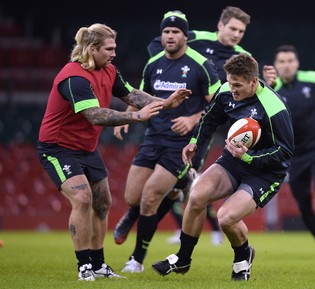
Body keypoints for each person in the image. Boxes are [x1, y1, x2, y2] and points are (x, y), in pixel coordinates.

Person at [37, 23, 191, 281]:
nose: (114, 53)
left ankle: (99, 265)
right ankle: (84, 266)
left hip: (86, 149)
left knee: (103, 203)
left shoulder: (109, 70)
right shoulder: (74, 77)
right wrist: (137, 118)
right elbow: (95, 115)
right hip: (58, 148)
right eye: (109, 49)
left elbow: (132, 96)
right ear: (92, 49)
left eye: (114, 48)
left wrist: (164, 103)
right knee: (83, 199)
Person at [114, 6, 277, 246]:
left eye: (241, 31)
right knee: (165, 188)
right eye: (232, 28)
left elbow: (248, 91)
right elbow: (161, 45)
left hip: (202, 126)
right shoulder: (195, 38)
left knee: (170, 186)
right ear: (220, 26)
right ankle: (140, 212)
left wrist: (269, 83)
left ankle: (140, 227)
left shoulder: (243, 55)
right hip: (165, 125)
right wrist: (132, 110)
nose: (236, 35)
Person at [152, 53, 294, 281]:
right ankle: (183, 258)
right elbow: (209, 118)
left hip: (266, 171)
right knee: (197, 196)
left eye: (238, 85)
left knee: (226, 217)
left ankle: (242, 257)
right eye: (230, 82)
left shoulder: (274, 107)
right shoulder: (226, 89)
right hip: (233, 160)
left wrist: (248, 158)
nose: (233, 89)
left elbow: (285, 152)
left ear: (254, 82)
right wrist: (194, 142)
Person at [112, 11, 221, 274]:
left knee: (150, 197)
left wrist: (193, 117)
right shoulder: (153, 64)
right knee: (132, 197)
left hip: (180, 144)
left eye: (175, 32)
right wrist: (127, 117)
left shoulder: (201, 64)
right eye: (166, 32)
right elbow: (138, 95)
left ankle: (136, 260)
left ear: (185, 36)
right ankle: (179, 186)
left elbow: (219, 105)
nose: (170, 36)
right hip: (152, 138)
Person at [266, 45, 315, 258]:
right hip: (293, 155)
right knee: (303, 203)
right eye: (282, 61)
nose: (286, 65)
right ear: (276, 65)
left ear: (297, 63)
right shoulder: (272, 89)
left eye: (290, 61)